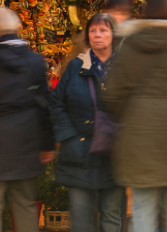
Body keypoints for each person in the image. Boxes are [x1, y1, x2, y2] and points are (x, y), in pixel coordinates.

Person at [101, 0, 167, 232]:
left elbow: (112, 95)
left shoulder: (129, 46)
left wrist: (127, 115)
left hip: (138, 138)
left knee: (142, 206)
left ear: (144, 13)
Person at [0, 7, 55, 232]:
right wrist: (47, 145)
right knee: (25, 206)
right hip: (25, 146)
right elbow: (44, 106)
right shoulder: (35, 61)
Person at [50, 12, 125, 232]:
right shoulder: (76, 67)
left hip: (114, 153)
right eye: (93, 30)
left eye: (103, 30)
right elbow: (56, 103)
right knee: (81, 217)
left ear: (114, 35)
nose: (97, 35)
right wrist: (69, 136)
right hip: (79, 152)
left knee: (111, 216)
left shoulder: (124, 68)